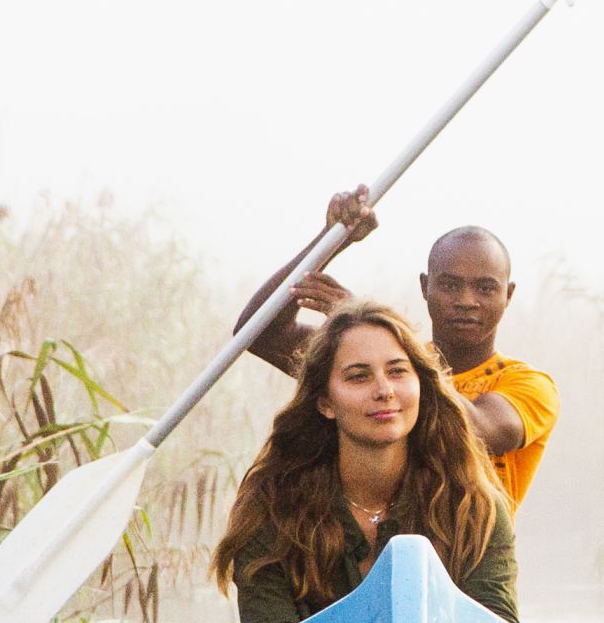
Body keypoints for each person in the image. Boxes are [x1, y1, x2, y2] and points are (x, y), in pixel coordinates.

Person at [217, 302, 522, 623]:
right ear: (325, 402)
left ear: (421, 384)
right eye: (359, 376)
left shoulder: (474, 507)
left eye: (397, 372)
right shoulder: (271, 508)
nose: (384, 390)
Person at [237, 193, 560, 506]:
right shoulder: (378, 365)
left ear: (508, 294)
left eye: (486, 288)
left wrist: (369, 320)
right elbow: (259, 333)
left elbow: (482, 431)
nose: (466, 301)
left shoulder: (529, 384)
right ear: (425, 286)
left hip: (467, 558)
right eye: (449, 285)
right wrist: (330, 241)